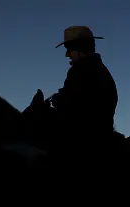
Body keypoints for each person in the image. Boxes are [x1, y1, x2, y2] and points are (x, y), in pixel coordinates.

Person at [30, 25, 119, 165]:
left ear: (81, 48)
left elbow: (74, 105)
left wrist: (55, 101)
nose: (67, 54)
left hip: (81, 142)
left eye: (69, 49)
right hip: (98, 137)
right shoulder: (99, 70)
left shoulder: (81, 71)